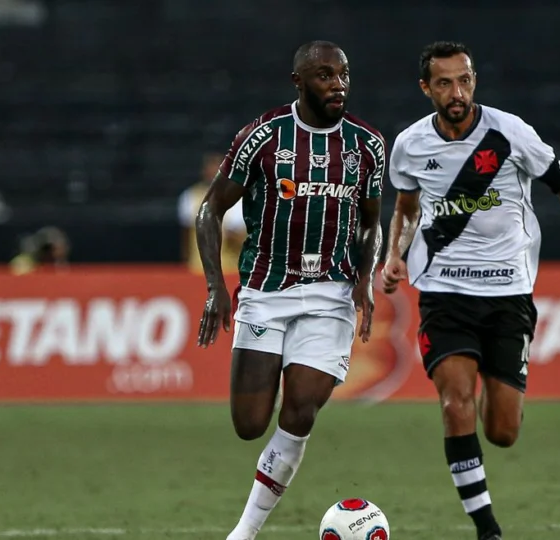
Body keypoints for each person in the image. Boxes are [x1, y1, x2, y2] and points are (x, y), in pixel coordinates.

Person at [381, 41, 560, 540]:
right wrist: (395, 254)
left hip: (508, 294)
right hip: (444, 293)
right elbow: (407, 209)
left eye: (465, 79)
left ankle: (499, 406)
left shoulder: (509, 133)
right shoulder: (409, 145)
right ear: (426, 88)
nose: (458, 92)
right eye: (446, 83)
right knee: (456, 402)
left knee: (502, 431)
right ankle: (488, 529)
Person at [193, 40, 385, 540]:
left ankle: (244, 531)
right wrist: (216, 286)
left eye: (343, 74)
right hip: (265, 291)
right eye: (324, 75)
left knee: (301, 407)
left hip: (331, 296)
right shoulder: (263, 136)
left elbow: (371, 223)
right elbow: (210, 210)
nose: (337, 84)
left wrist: (364, 278)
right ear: (298, 81)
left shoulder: (367, 145)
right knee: (250, 424)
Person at [178, 153, 247, 274]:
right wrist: (186, 261)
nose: (213, 172)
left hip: (230, 269)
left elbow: (246, 240)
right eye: (210, 168)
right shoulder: (190, 196)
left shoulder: (239, 200)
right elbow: (186, 234)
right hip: (198, 269)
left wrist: (233, 237)